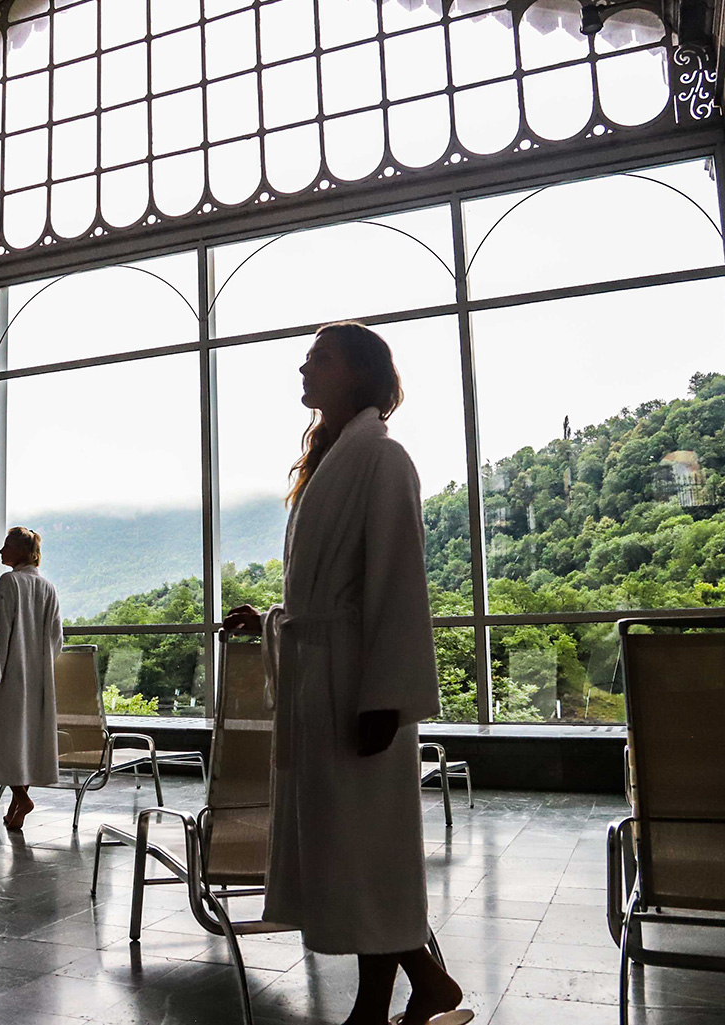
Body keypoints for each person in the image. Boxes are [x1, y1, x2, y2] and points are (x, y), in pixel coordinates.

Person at [223, 322, 470, 1025]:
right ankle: (424, 988)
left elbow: (398, 582)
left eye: (320, 358)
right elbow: (328, 594)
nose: (304, 368)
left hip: (359, 687)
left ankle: (375, 1007)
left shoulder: (382, 458)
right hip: (323, 682)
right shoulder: (333, 459)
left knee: (366, 850)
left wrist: (385, 698)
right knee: (350, 851)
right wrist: (273, 620)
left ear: (358, 372)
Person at [0, 525, 63, 831]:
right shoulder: (47, 587)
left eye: (7, 545)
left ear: (23, 551)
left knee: (3, 739)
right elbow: (56, 638)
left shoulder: (9, 582)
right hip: (37, 677)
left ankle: (22, 799)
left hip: (7, 675)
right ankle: (16, 804)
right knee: (26, 739)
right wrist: (42, 667)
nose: (1, 550)